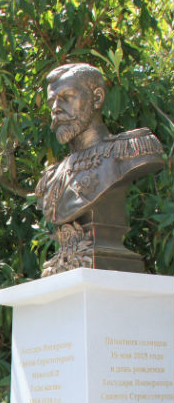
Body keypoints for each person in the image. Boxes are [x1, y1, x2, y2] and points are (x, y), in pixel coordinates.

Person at [36, 63, 164, 276]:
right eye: (52, 101)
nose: (55, 108)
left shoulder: (129, 151)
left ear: (97, 98)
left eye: (67, 97)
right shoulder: (52, 177)